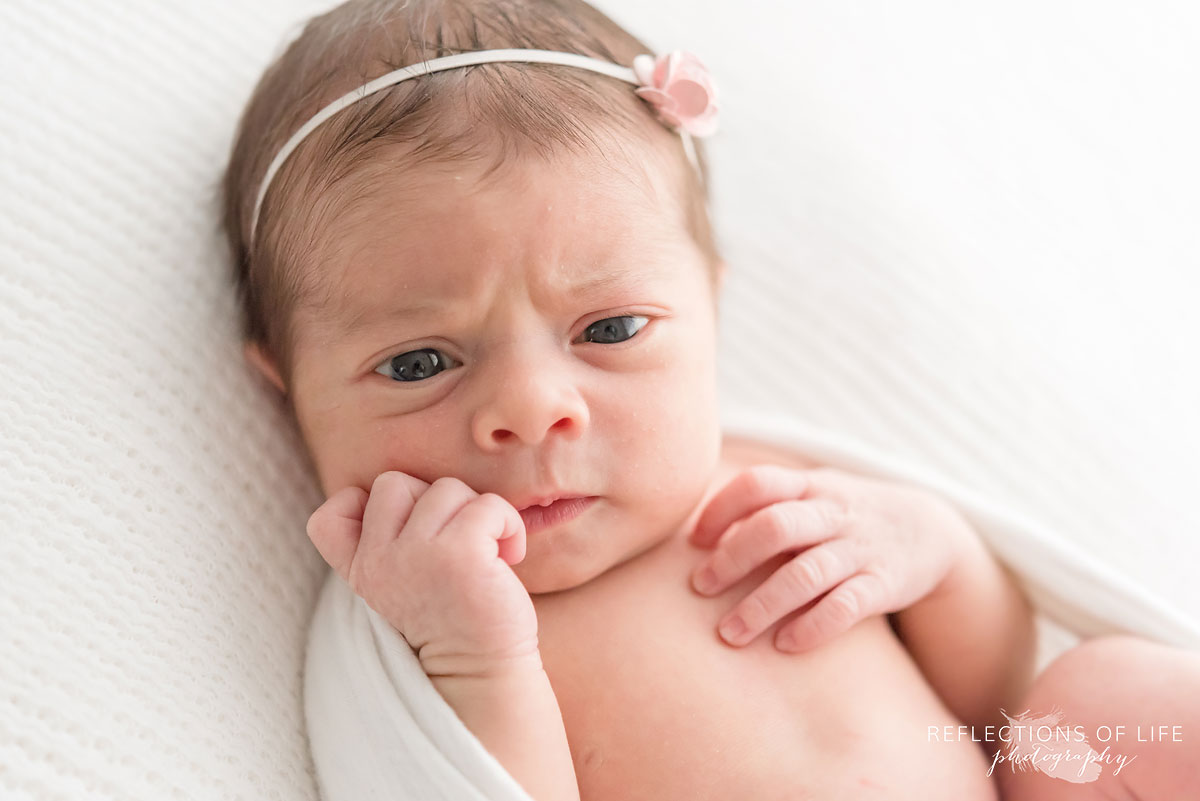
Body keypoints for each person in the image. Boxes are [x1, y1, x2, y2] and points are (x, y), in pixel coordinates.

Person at [220, 0, 1200, 798]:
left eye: (608, 330)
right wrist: (481, 660)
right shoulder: (422, 631)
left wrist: (937, 561)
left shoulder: (781, 493)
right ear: (286, 387)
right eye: (419, 363)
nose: (531, 409)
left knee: (1106, 699)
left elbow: (989, 701)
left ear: (711, 307)